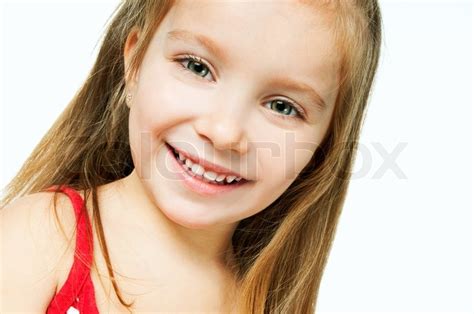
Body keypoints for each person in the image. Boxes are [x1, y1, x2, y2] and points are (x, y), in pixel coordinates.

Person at [0, 0, 382, 313]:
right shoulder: (41, 239)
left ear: (322, 148)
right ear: (134, 65)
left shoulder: (263, 304)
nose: (224, 132)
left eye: (282, 106)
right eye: (197, 67)